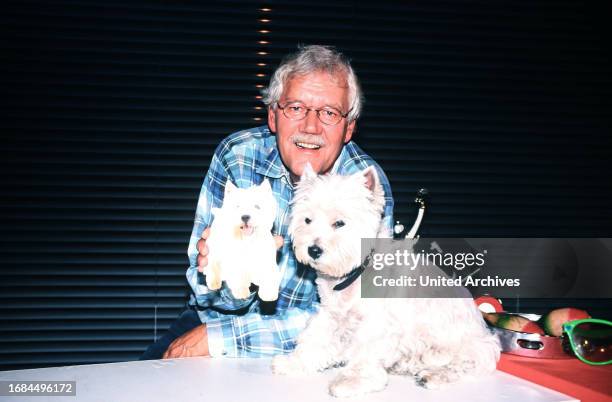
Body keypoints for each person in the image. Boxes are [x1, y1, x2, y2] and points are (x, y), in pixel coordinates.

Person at [140, 45, 394, 360]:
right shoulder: (238, 155)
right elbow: (204, 290)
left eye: (329, 112)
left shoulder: (365, 185)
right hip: (216, 319)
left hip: (310, 337)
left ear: (349, 128)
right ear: (273, 115)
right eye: (296, 107)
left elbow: (360, 317)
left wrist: (226, 339)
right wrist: (227, 271)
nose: (311, 126)